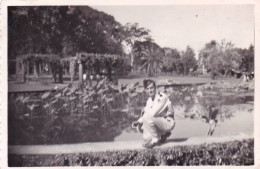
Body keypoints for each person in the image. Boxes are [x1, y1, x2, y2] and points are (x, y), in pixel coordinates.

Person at [132, 79, 175, 148]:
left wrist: (142, 119)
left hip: (168, 122)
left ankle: (155, 140)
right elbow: (146, 113)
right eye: (148, 89)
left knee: (147, 118)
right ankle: (162, 134)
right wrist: (138, 122)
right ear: (145, 90)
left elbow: (153, 113)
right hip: (159, 121)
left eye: (151, 88)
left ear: (155, 88)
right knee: (140, 127)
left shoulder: (161, 97)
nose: (150, 90)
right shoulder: (149, 100)